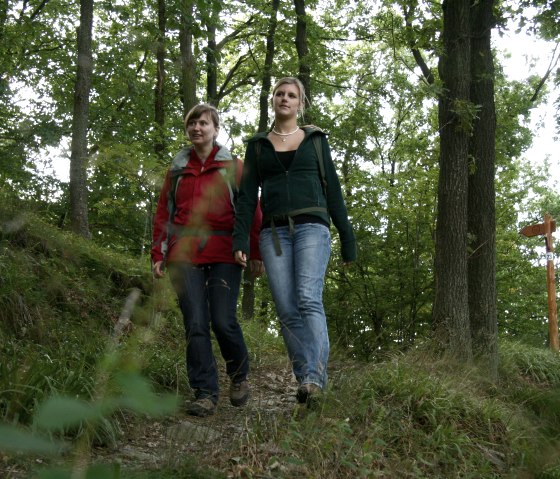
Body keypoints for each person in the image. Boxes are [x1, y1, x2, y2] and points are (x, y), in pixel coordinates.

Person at [232, 77, 356, 405]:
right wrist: (241, 238)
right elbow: (246, 198)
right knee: (286, 309)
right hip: (273, 234)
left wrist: (347, 237)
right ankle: (306, 381)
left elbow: (333, 190)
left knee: (307, 298)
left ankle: (315, 377)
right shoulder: (258, 145)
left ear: (300, 103)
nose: (285, 99)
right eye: (279, 93)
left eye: (291, 95)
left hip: (312, 228)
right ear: (272, 99)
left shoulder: (315, 139)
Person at [152, 103, 263, 417]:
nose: (197, 129)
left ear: (215, 129)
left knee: (222, 321)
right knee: (195, 323)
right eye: (192, 124)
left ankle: (239, 375)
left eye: (203, 123)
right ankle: (205, 393)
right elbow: (164, 214)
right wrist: (158, 253)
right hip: (183, 254)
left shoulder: (234, 167)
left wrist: (255, 251)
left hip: (225, 252)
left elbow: (250, 211)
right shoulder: (176, 171)